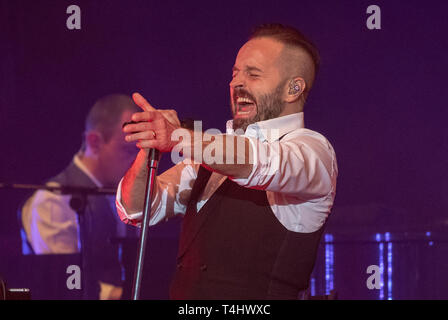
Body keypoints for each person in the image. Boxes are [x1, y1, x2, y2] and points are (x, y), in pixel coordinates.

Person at [117, 24, 338, 299]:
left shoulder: (313, 151)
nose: (237, 83)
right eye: (235, 73)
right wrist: (149, 147)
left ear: (293, 88)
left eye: (253, 74)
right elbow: (136, 209)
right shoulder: (211, 152)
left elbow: (258, 162)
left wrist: (179, 138)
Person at [21, 94, 139, 299]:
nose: (135, 162)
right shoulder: (54, 200)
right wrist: (123, 295)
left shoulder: (126, 193)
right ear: (94, 141)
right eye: (128, 150)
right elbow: (65, 283)